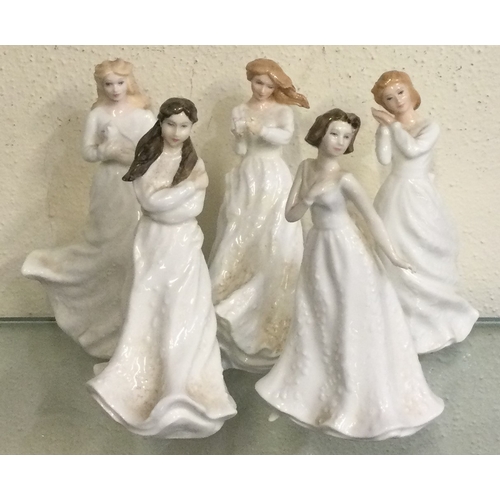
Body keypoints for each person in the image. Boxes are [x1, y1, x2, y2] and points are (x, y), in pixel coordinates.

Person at [256, 109, 444, 440]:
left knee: (349, 314)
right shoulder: (305, 168)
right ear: (320, 133)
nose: (341, 141)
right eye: (335, 133)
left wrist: (393, 255)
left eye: (347, 136)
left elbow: (372, 219)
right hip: (318, 248)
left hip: (347, 251)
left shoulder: (345, 179)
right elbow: (290, 215)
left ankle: (356, 390)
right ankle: (316, 387)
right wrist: (307, 197)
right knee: (319, 313)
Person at [87, 98, 237, 439]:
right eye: (171, 124)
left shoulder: (193, 161)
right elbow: (151, 202)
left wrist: (175, 197)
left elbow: (192, 208)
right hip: (154, 242)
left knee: (185, 309)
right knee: (150, 303)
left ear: (191, 128)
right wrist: (188, 187)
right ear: (161, 122)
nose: (177, 132)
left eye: (184, 126)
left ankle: (184, 380)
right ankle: (145, 377)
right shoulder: (149, 157)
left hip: (184, 243)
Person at [22, 59, 156, 359]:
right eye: (108, 84)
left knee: (134, 249)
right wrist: (106, 150)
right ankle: (97, 315)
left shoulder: (144, 115)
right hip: (109, 185)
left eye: (120, 83)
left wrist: (127, 154)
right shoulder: (98, 114)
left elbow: (152, 153)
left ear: (129, 82)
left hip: (136, 185)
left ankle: (134, 325)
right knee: (105, 247)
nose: (115, 89)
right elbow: (88, 152)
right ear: (101, 86)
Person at [209, 58, 309, 372]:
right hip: (248, 175)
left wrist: (259, 128)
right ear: (250, 81)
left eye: (268, 84)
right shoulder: (240, 109)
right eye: (258, 83)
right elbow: (240, 150)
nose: (262, 89)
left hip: (273, 177)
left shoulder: (282, 111)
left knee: (274, 239)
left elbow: (284, 137)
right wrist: (239, 134)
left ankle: (271, 322)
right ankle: (225, 324)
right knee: (239, 235)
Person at [371, 70, 478, 354]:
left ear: (411, 91)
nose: (397, 101)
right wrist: (382, 132)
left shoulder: (429, 125)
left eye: (400, 92)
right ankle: (399, 320)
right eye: (389, 98)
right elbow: (384, 158)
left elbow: (414, 150)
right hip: (394, 193)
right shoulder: (391, 127)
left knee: (424, 248)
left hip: (418, 194)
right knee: (392, 249)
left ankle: (435, 319)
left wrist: (392, 126)